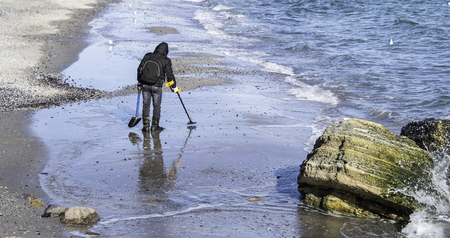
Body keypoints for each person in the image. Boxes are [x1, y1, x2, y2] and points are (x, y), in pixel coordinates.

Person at [137, 42, 177, 132]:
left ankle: (145, 127)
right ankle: (155, 126)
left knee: (146, 105)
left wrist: (139, 82)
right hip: (157, 86)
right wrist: (173, 87)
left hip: (145, 84)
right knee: (156, 106)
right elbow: (169, 75)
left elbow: (139, 69)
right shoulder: (166, 60)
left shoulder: (147, 56)